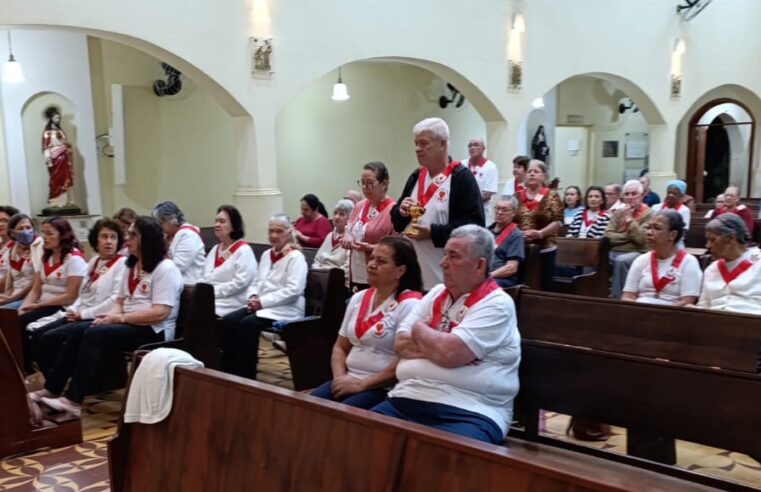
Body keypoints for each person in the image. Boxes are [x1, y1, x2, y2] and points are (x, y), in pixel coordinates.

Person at [372, 225, 521, 444]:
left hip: (471, 410)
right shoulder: (436, 293)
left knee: (441, 462)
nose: (443, 263)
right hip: (408, 397)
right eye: (444, 255)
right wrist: (441, 348)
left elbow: (449, 353)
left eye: (454, 256)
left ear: (479, 265)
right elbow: (400, 343)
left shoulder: (497, 304)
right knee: (361, 439)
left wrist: (420, 329)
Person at [38, 216, 183, 417]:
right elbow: (119, 303)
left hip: (153, 329)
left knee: (95, 334)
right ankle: (52, 388)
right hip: (130, 322)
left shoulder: (165, 268)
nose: (127, 238)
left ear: (147, 239)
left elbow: (160, 312)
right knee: (81, 329)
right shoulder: (131, 266)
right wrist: (108, 316)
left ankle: (73, 400)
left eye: (133, 234)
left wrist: (119, 319)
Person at [311, 237, 423, 408]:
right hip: (348, 377)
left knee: (344, 415)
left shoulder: (410, 304)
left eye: (381, 261)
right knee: (308, 405)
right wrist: (340, 378)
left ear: (400, 270)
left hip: (382, 386)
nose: (371, 264)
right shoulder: (358, 298)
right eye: (371, 258)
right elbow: (340, 346)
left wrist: (362, 384)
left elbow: (403, 360)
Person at [27, 219, 126, 389]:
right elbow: (83, 293)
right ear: (96, 240)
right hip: (80, 312)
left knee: (51, 338)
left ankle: (57, 383)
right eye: (104, 237)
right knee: (41, 335)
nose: (109, 241)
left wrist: (83, 314)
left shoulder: (122, 264)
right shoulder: (94, 261)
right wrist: (74, 309)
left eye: (113, 237)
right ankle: (55, 379)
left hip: (98, 316)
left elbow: (114, 300)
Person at [391, 117, 484, 290]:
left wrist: (432, 233)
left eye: (424, 143)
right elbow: (397, 222)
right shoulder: (416, 176)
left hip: (445, 278)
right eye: (416, 143)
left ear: (442, 144)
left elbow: (475, 227)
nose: (418, 149)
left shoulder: (461, 178)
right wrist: (401, 211)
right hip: (413, 276)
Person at [220, 215, 308, 379]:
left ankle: (246, 375)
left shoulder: (296, 257)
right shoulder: (267, 254)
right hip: (263, 306)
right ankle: (229, 371)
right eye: (271, 231)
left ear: (289, 233)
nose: (274, 235)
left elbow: (293, 290)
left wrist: (263, 302)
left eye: (279, 231)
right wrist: (253, 296)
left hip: (285, 308)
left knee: (248, 325)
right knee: (229, 321)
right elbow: (257, 281)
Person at [19, 217, 87, 370]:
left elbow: (71, 295)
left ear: (62, 235)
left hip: (60, 306)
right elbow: (36, 288)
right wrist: (23, 307)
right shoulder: (47, 256)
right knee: (16, 321)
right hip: (43, 304)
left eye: (49, 233)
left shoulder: (74, 258)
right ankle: (24, 368)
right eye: (43, 233)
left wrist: (37, 306)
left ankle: (38, 368)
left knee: (30, 328)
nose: (45, 238)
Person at [621, 211, 702, 306]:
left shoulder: (689, 262)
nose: (649, 232)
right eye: (648, 227)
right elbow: (627, 296)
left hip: (671, 315)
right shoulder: (641, 260)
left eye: (657, 228)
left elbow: (687, 302)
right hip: (640, 312)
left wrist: (657, 314)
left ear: (672, 235)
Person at [344, 162, 396, 292]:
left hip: (378, 273)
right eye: (362, 183)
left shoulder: (393, 210)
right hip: (356, 272)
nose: (365, 188)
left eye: (370, 183)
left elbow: (396, 247)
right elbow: (348, 229)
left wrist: (370, 248)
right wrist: (347, 238)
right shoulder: (358, 206)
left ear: (384, 184)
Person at [199, 205, 258, 317]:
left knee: (202, 310)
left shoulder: (243, 250)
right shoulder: (215, 249)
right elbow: (204, 276)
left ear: (234, 226)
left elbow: (240, 283)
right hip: (211, 298)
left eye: (222, 221)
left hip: (233, 301)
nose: (217, 225)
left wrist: (212, 292)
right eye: (216, 221)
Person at [514, 160, 564, 291]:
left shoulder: (551, 195)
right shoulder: (519, 195)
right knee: (521, 283)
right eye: (529, 171)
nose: (531, 174)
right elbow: (512, 219)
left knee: (543, 284)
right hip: (522, 247)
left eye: (536, 172)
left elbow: (559, 221)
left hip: (545, 247)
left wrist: (540, 233)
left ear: (544, 176)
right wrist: (519, 234)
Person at [697, 214, 761, 314]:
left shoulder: (759, 262)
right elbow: (703, 306)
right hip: (714, 324)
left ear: (730, 238)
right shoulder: (711, 270)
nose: (707, 246)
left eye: (713, 240)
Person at [604, 180, 653, 298]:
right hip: (614, 251)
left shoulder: (649, 214)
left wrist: (629, 219)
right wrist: (628, 236)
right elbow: (608, 235)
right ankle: (591, 297)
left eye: (634, 193)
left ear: (641, 196)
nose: (630, 197)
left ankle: (619, 300)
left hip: (637, 252)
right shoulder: (619, 212)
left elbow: (641, 239)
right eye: (627, 194)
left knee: (621, 261)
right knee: (593, 256)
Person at [152, 201, 205, 284]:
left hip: (189, 285)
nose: (159, 227)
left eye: (161, 223)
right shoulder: (170, 236)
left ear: (172, 220)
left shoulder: (188, 235)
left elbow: (178, 266)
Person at [0, 214, 43, 309]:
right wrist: (6, 296)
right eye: (21, 228)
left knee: (4, 312)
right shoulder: (12, 250)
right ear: (12, 233)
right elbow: (10, 280)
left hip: (31, 297)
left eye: (28, 227)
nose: (26, 232)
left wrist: (12, 298)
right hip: (14, 296)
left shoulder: (39, 246)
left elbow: (37, 281)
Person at [41, 106, 74, 207]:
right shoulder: (47, 132)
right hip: (55, 158)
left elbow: (64, 142)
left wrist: (67, 147)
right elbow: (46, 146)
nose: (58, 120)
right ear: (51, 118)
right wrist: (48, 157)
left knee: (64, 178)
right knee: (56, 178)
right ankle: (55, 200)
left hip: (64, 158)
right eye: (56, 118)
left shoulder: (60, 131)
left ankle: (64, 201)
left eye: (59, 118)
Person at [488, 198, 524, 288]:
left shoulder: (516, 235)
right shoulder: (486, 231)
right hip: (483, 275)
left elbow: (511, 268)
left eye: (504, 210)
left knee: (482, 286)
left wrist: (487, 276)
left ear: (514, 213)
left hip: (502, 279)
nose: (499, 212)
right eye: (497, 208)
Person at [313, 199, 353, 274]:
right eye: (335, 213)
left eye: (342, 214)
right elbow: (317, 260)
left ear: (350, 218)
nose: (337, 217)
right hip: (321, 275)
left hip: (337, 278)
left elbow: (347, 267)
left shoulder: (350, 239)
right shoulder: (329, 235)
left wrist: (332, 276)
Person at [463, 138, 498, 222]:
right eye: (470, 146)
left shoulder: (490, 167)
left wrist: (465, 201)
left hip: (481, 211)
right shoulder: (462, 164)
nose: (472, 147)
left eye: (476, 145)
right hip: (463, 212)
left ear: (483, 148)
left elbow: (487, 195)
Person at [0, 205, 21, 288]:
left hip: (8, 292)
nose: (0, 224)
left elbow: (11, 276)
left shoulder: (18, 246)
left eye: (5, 221)